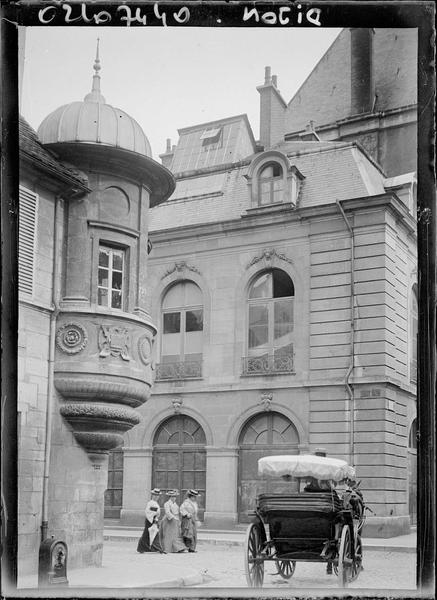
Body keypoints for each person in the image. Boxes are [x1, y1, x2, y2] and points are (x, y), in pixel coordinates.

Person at [137, 488, 164, 553]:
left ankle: (147, 548)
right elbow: (149, 512)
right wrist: (153, 519)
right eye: (155, 495)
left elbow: (156, 513)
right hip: (150, 520)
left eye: (157, 496)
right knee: (147, 533)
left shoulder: (155, 503)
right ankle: (156, 548)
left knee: (151, 534)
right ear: (152, 495)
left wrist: (156, 518)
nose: (156, 497)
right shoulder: (151, 503)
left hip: (153, 519)